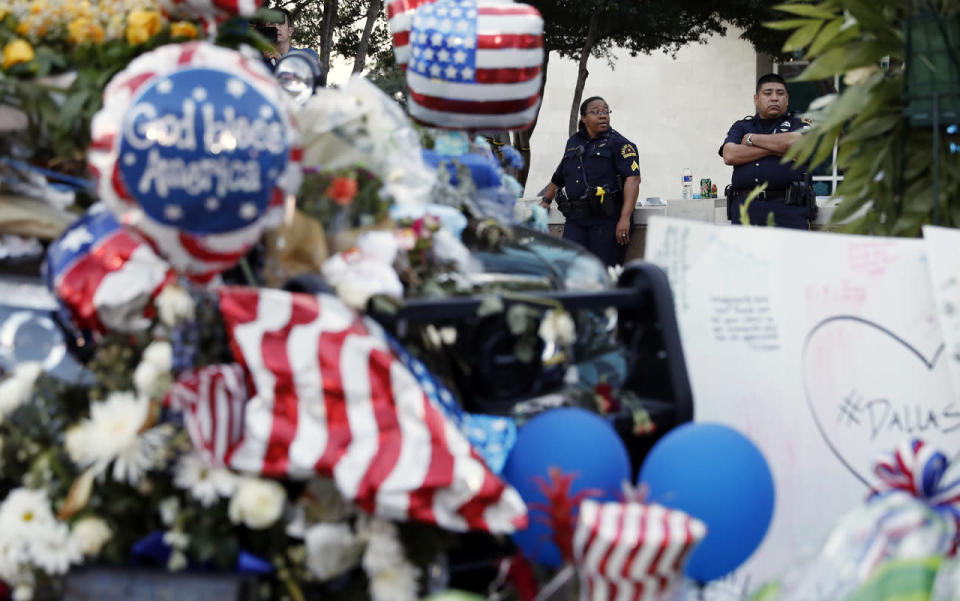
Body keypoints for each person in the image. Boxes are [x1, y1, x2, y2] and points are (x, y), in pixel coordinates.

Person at [539, 96, 641, 267]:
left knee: (603, 272)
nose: (603, 116)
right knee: (569, 269)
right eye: (596, 112)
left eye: (606, 111)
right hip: (576, 220)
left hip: (606, 220)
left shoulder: (620, 144)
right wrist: (546, 200)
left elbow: (633, 179)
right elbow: (560, 174)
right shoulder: (574, 141)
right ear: (583, 118)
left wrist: (625, 218)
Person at [720, 73, 815, 229]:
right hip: (746, 212)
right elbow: (729, 155)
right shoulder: (742, 126)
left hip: (789, 212)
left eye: (780, 93)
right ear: (756, 99)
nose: (774, 98)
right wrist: (777, 148)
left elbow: (799, 144)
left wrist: (752, 139)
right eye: (767, 93)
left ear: (787, 98)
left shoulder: (798, 122)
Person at [261, 8, 321, 76]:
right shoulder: (255, 60)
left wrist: (280, 59)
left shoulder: (306, 55)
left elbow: (307, 78)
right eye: (271, 23)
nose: (276, 27)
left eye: (280, 23)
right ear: (266, 30)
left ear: (290, 31)